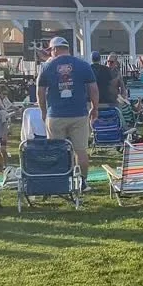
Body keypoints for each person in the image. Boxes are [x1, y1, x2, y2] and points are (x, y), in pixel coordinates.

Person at [37, 37, 98, 189]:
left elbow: (40, 92)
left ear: (55, 49)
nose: (50, 54)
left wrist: (43, 111)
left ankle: (59, 182)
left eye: (50, 50)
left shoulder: (47, 66)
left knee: (56, 150)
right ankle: (83, 182)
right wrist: (95, 107)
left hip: (55, 114)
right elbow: (93, 89)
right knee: (81, 151)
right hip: (79, 114)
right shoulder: (83, 65)